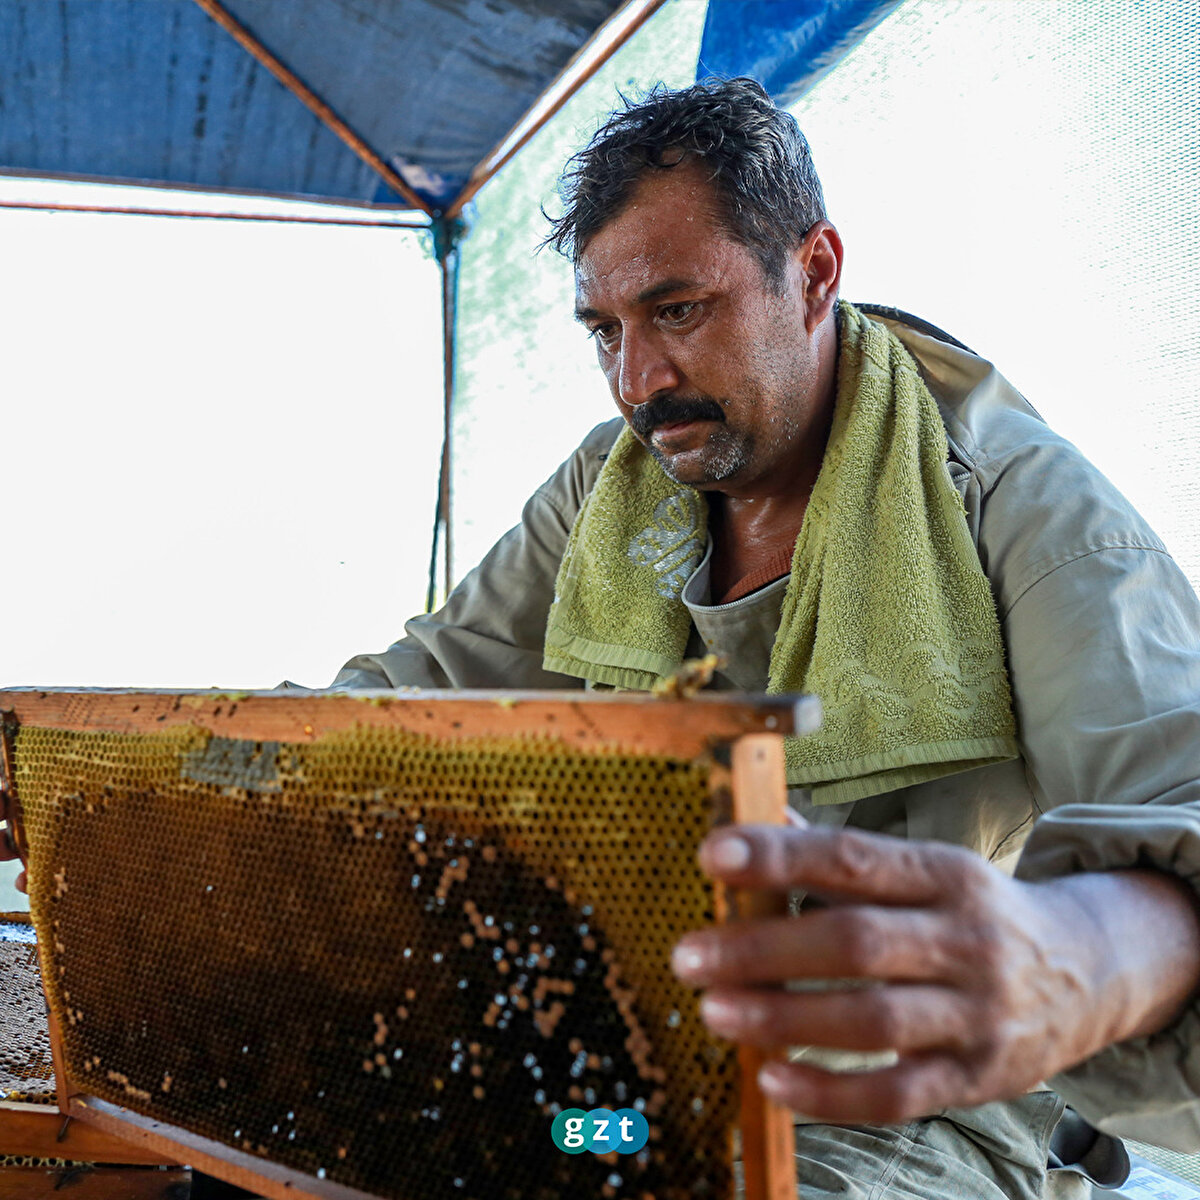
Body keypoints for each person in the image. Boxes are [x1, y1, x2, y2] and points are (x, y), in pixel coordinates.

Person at [328, 78, 1200, 1196]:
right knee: (400, 1158)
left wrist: (1076, 953)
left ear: (816, 271)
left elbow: (1181, 807)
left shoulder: (1020, 504)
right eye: (606, 331)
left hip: (913, 1123)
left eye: (679, 310)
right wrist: (180, 768)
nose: (639, 381)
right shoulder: (608, 489)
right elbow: (418, 691)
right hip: (636, 1108)